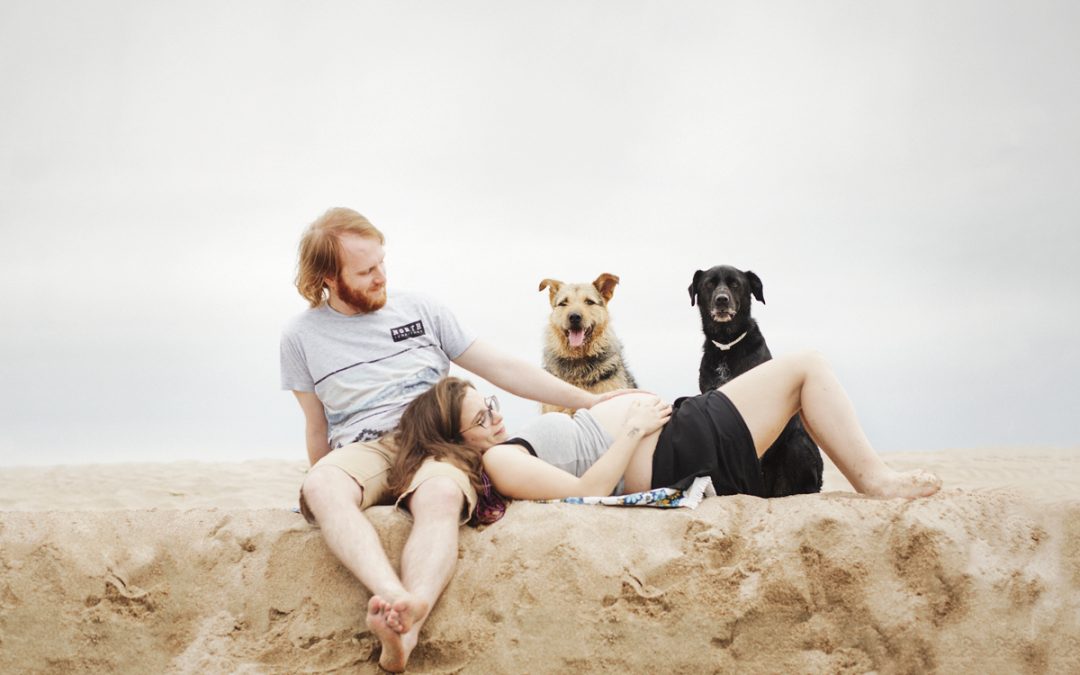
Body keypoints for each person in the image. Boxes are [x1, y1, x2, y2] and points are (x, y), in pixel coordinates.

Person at [280, 207, 629, 673]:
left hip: (436, 440)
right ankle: (394, 597)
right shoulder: (300, 338)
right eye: (365, 271)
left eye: (382, 262)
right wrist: (325, 486)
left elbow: (502, 368)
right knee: (322, 486)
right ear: (327, 276)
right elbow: (316, 426)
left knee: (441, 493)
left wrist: (587, 401)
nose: (381, 276)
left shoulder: (421, 310)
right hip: (366, 446)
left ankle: (412, 614)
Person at [388, 350, 942, 513]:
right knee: (807, 369)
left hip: (679, 431)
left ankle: (872, 477)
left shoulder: (508, 446)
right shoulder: (501, 463)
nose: (497, 416)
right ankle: (873, 480)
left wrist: (614, 407)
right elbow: (592, 490)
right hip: (677, 449)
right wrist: (631, 427)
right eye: (481, 418)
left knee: (806, 370)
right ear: (458, 441)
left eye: (490, 402)